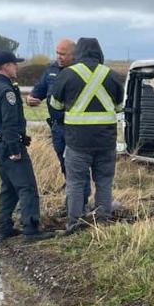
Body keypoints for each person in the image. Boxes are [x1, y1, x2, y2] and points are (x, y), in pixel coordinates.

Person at [50, 38, 124, 235]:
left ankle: (74, 225)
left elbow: (55, 106)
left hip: (77, 141)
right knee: (104, 181)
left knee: (75, 182)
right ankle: (102, 222)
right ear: (100, 53)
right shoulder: (113, 76)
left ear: (78, 53)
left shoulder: (67, 75)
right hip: (106, 141)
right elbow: (119, 107)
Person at [0, 50, 54, 242]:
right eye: (14, 64)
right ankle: (31, 229)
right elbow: (10, 123)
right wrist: (15, 149)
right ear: (5, 66)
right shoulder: (7, 91)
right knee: (27, 187)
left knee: (9, 188)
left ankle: (4, 226)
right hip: (10, 146)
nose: (16, 67)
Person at [26, 38, 90, 208]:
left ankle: (79, 204)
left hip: (76, 129)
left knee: (77, 166)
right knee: (65, 165)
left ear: (73, 54)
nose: (59, 57)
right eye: (57, 53)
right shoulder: (51, 71)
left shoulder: (81, 71)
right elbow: (38, 91)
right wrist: (31, 98)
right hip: (57, 128)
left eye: (63, 54)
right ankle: (72, 201)